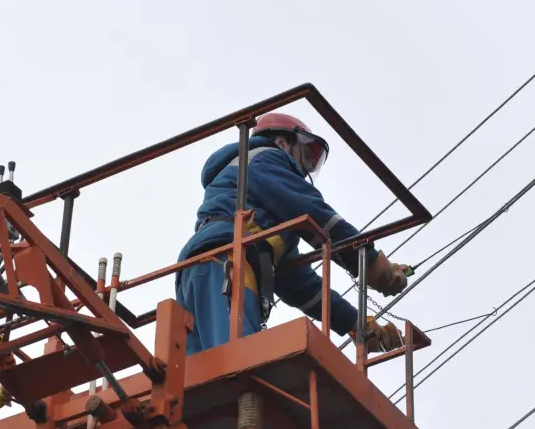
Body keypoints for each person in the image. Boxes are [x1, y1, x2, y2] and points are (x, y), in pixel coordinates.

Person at [174, 112, 410, 356]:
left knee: (199, 378)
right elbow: (316, 215)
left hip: (212, 264)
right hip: (226, 262)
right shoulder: (264, 159)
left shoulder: (265, 226)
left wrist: (354, 322)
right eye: (305, 154)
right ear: (282, 142)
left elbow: (298, 283)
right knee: (234, 364)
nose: (305, 168)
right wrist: (374, 266)